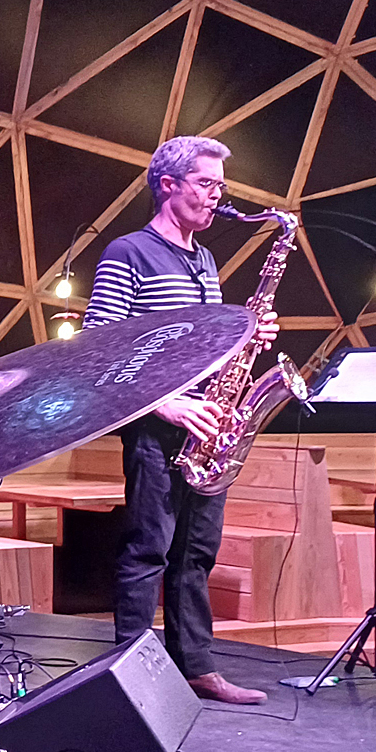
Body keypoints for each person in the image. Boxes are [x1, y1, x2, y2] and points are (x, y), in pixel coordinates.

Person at [81, 135, 278, 705]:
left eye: (220, 186)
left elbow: (199, 344)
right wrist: (165, 404)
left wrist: (246, 335)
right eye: (207, 184)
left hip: (209, 426)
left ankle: (195, 666)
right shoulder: (129, 252)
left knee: (196, 552)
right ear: (168, 185)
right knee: (149, 552)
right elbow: (99, 348)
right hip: (160, 426)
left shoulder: (205, 258)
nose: (218, 197)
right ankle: (130, 675)